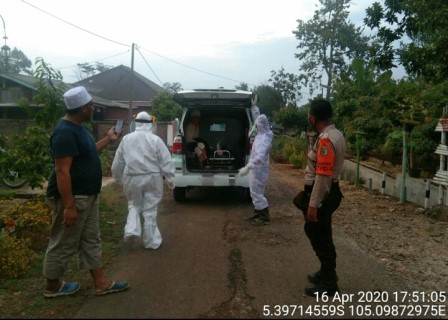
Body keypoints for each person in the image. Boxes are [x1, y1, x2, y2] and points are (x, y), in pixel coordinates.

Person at [43, 86, 129, 298]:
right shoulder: (64, 133)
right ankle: (52, 286)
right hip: (74, 198)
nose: (93, 109)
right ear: (82, 109)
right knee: (63, 241)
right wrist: (69, 206)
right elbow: (62, 171)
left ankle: (100, 283)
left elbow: (89, 152)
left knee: (91, 239)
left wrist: (108, 139)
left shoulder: (80, 128)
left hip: (89, 195)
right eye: (91, 106)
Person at [111, 111, 175, 249]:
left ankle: (131, 230)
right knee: (150, 208)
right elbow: (165, 161)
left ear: (136, 123)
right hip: (152, 177)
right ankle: (151, 242)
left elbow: (118, 161)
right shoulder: (156, 140)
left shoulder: (126, 139)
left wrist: (117, 176)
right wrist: (170, 178)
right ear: (150, 123)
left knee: (134, 204)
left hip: (131, 177)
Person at [302, 99, 346, 297]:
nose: (308, 118)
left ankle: (329, 284)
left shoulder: (327, 140)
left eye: (309, 115)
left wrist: (313, 204)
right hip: (329, 191)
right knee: (321, 232)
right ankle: (326, 272)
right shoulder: (335, 134)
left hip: (323, 193)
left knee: (318, 233)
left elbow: (322, 176)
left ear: (313, 118)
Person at [238, 114, 273, 226]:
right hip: (256, 169)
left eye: (257, 125)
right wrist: (254, 108)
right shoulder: (262, 135)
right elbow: (258, 116)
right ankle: (258, 212)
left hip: (258, 169)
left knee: (257, 193)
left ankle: (264, 216)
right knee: (254, 192)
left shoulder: (264, 140)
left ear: (260, 126)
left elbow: (260, 157)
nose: (255, 127)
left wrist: (248, 166)